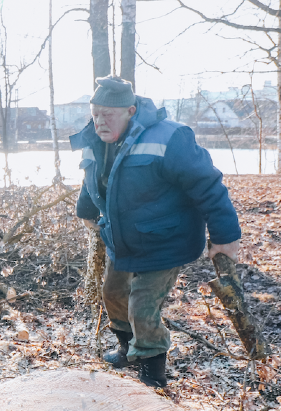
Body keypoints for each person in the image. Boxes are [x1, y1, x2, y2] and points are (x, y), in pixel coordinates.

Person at [71, 76, 241, 387]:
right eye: (95, 113)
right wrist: (86, 212)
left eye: (108, 113)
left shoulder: (170, 138)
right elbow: (91, 181)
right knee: (113, 295)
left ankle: (152, 369)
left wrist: (224, 237)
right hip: (122, 239)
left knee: (142, 305)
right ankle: (126, 348)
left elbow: (209, 186)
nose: (99, 121)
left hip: (166, 241)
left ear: (131, 111)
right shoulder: (95, 141)